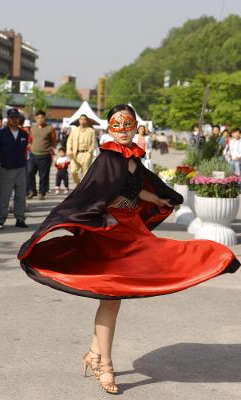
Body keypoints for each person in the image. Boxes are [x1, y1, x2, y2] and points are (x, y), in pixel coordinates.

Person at [18, 104, 240, 395]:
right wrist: (99, 217)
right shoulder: (107, 159)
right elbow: (89, 194)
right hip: (108, 236)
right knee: (110, 298)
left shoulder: (134, 158)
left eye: (128, 125)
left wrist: (158, 200)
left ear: (136, 127)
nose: (123, 131)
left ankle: (94, 355)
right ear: (110, 128)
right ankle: (105, 365)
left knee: (135, 283)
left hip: (131, 232)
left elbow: (134, 189)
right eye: (117, 125)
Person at [0, 108, 28, 228]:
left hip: (20, 168)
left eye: (16, 117)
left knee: (20, 195)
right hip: (6, 168)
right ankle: (0, 219)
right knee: (4, 195)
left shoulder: (24, 134)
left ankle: (20, 219)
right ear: (8, 119)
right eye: (12, 117)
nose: (14, 120)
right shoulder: (0, 134)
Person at [27, 110, 56, 200]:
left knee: (43, 175)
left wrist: (50, 148)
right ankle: (32, 190)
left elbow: (53, 140)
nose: (40, 119)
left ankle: (41, 192)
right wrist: (30, 146)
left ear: (45, 118)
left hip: (45, 155)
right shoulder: (32, 128)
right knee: (30, 172)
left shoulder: (50, 128)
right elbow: (30, 139)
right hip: (33, 154)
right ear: (36, 118)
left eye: (42, 117)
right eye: (38, 118)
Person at [66, 114, 96, 185]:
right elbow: (69, 141)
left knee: (86, 173)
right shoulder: (74, 130)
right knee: (73, 171)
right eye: (81, 119)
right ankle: (79, 184)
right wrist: (69, 151)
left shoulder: (91, 131)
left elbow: (93, 143)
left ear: (87, 121)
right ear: (79, 120)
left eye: (84, 119)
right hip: (75, 154)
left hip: (86, 154)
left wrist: (90, 153)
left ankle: (84, 188)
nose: (83, 121)